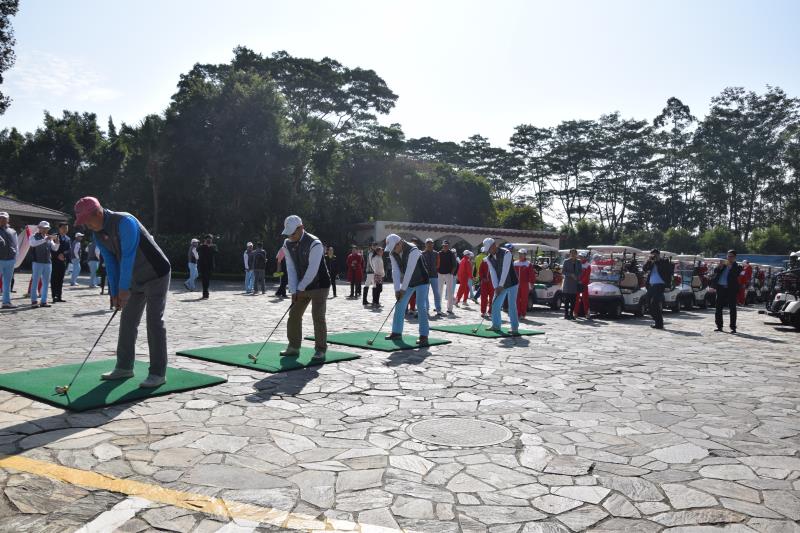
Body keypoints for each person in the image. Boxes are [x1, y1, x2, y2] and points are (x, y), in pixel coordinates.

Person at [74, 196, 172, 388]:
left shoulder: (125, 221)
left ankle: (158, 373)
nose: (86, 225)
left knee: (154, 322)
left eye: (87, 220)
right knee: (127, 321)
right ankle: (124, 367)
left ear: (97, 213)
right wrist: (114, 293)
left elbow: (128, 257)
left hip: (156, 273)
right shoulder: (97, 234)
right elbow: (111, 263)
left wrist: (123, 289)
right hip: (135, 277)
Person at [280, 215, 330, 360]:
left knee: (318, 316)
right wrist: (293, 289)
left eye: (292, 233)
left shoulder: (315, 243)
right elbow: (290, 268)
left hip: (320, 285)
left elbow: (312, 270)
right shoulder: (287, 244)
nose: (290, 236)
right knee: (294, 315)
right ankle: (293, 347)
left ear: (301, 228)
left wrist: (300, 288)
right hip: (301, 285)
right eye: (288, 233)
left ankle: (320, 349)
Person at [384, 234, 430, 346]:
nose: (393, 250)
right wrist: (397, 290)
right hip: (409, 282)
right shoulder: (392, 253)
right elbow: (395, 271)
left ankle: (424, 336)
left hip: (422, 280)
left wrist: (402, 290)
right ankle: (396, 332)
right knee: (400, 303)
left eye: (394, 247)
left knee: (421, 306)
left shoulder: (413, 250)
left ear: (400, 243)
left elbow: (409, 271)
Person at [482, 238, 519, 334]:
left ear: (494, 245)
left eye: (489, 248)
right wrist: (496, 287)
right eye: (488, 249)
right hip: (500, 284)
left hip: (512, 283)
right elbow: (492, 272)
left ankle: (514, 328)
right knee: (495, 304)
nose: (489, 251)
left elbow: (505, 270)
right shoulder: (489, 258)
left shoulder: (507, 253)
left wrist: (500, 285)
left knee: (512, 305)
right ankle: (496, 325)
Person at [29, 221, 59, 308]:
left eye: (47, 228)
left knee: (46, 283)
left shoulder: (48, 237)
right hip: (37, 262)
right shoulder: (33, 236)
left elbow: (55, 249)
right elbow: (33, 244)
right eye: (44, 228)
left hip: (48, 262)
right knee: (35, 281)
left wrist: (57, 242)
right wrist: (45, 239)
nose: (46, 230)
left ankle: (44, 301)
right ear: (39, 228)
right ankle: (34, 300)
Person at [713, 249, 743, 334]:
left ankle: (733, 327)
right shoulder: (724, 264)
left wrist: (730, 267)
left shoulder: (738, 266)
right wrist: (719, 267)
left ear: (735, 257)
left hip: (731, 289)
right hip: (720, 288)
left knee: (732, 308)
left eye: (731, 256)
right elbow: (715, 271)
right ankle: (719, 326)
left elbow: (735, 274)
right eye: (728, 256)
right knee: (718, 307)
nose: (729, 258)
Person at [643, 249, 673, 330]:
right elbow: (644, 269)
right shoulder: (651, 262)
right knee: (648, 303)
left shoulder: (664, 262)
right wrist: (649, 261)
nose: (654, 256)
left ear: (659, 255)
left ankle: (659, 323)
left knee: (654, 303)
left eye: (655, 255)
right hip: (651, 286)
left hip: (660, 285)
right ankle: (657, 321)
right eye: (652, 255)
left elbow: (668, 271)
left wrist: (657, 261)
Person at [0, 212, 18, 309]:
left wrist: (15, 257)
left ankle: (6, 302)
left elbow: (16, 245)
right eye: (1, 218)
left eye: (4, 218)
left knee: (7, 282)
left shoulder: (13, 231)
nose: (2, 220)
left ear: (8, 219)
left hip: (10, 260)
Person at [420, 239, 442, 316]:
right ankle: (426, 309)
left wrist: (434, 269)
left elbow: (438, 264)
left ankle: (438, 309)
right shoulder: (422, 253)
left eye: (431, 243)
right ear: (425, 244)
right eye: (428, 243)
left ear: (433, 244)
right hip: (425, 276)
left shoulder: (436, 253)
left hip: (434, 276)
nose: (429, 244)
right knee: (425, 294)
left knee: (436, 293)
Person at [50, 222, 71, 303]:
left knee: (60, 279)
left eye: (66, 228)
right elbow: (51, 247)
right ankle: (54, 296)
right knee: (54, 279)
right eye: (63, 228)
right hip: (54, 260)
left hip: (63, 261)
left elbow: (69, 250)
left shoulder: (68, 238)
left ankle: (59, 296)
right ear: (59, 228)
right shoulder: (54, 236)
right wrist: (57, 255)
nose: (65, 230)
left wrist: (64, 255)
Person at [514, 249, 536, 319]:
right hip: (516, 284)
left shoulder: (528, 264)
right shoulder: (515, 263)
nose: (520, 255)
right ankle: (517, 314)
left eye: (522, 254)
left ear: (525, 255)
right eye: (519, 254)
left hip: (525, 284)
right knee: (516, 299)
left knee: (524, 299)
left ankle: (523, 314)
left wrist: (532, 283)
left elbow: (531, 274)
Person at [437, 240, 458, 314]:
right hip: (440, 273)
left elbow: (455, 264)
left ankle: (450, 308)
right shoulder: (439, 253)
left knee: (450, 291)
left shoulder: (451, 253)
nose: (445, 247)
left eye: (446, 245)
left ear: (448, 246)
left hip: (448, 274)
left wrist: (451, 273)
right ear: (442, 246)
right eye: (444, 245)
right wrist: (437, 271)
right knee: (439, 291)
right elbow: (437, 262)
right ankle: (438, 306)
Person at [561, 249, 582, 320]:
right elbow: (563, 271)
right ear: (570, 254)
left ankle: (571, 314)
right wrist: (570, 274)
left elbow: (580, 271)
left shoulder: (579, 262)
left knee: (573, 301)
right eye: (572, 253)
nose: (573, 255)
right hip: (568, 283)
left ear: (576, 254)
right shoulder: (566, 261)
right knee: (567, 300)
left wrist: (577, 276)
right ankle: (566, 314)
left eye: (574, 253)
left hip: (575, 283)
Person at [197, 234, 216, 299]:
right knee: (204, 279)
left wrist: (210, 246)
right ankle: (205, 293)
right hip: (202, 265)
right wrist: (204, 245)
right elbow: (197, 249)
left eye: (210, 239)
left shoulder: (213, 246)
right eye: (207, 239)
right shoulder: (202, 246)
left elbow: (216, 252)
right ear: (205, 240)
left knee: (207, 280)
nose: (208, 240)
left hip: (210, 265)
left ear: (211, 240)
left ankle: (206, 293)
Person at [477, 246, 494, 318]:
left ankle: (490, 311)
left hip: (493, 283)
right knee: (483, 297)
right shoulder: (484, 260)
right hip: (484, 282)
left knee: (492, 298)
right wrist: (483, 278)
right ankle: (483, 311)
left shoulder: (496, 260)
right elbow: (480, 271)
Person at [576, 251, 591, 318]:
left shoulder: (588, 265)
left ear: (585, 257)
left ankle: (587, 313)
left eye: (582, 257)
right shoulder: (577, 264)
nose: (580, 258)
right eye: (580, 256)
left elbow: (587, 275)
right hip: (577, 283)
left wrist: (581, 281)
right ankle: (575, 312)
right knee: (576, 299)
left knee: (585, 299)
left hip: (584, 284)